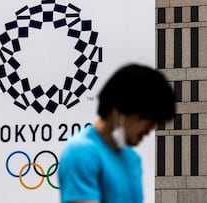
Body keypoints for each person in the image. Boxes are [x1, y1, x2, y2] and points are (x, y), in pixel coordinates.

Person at [58, 63, 175, 203]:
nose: (151, 128)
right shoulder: (81, 152)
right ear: (119, 110)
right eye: (148, 119)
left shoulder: (132, 158)